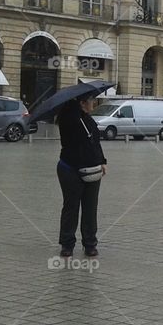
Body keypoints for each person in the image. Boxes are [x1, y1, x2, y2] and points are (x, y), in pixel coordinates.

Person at [56, 95, 107, 257]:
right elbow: (78, 142)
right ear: (82, 103)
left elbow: (95, 144)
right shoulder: (69, 119)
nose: (94, 103)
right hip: (69, 168)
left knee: (90, 207)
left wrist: (102, 161)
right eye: (91, 100)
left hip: (92, 168)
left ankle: (90, 243)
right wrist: (77, 115)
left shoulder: (87, 120)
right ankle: (67, 243)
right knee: (71, 206)